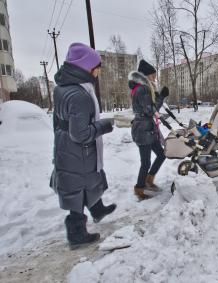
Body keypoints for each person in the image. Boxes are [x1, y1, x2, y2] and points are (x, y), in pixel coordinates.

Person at [51, 42, 116, 249]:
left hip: (66, 146)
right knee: (77, 186)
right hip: (78, 150)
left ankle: (97, 210)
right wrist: (105, 125)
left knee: (90, 179)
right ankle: (76, 234)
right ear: (87, 67)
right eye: (97, 66)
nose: (99, 71)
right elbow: (81, 134)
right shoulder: (80, 95)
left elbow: (60, 122)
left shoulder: (63, 88)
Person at [129, 60, 169, 199]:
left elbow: (150, 109)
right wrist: (161, 97)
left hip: (147, 128)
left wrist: (158, 97)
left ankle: (149, 180)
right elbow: (150, 110)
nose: (155, 78)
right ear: (146, 76)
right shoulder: (143, 89)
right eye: (153, 75)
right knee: (145, 162)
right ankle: (139, 188)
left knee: (162, 154)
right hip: (143, 130)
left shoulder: (141, 88)